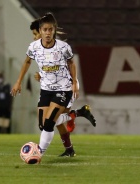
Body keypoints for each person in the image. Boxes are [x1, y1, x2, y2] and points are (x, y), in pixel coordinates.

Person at [11, 12, 88, 158]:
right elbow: (27, 61)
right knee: (43, 125)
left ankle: (38, 153)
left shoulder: (63, 47)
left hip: (63, 89)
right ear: (40, 31)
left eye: (50, 30)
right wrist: (18, 81)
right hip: (46, 89)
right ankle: (77, 114)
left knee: (48, 124)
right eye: (44, 30)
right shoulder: (34, 47)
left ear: (54, 30)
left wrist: (75, 85)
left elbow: (71, 63)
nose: (47, 33)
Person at [29, 18, 96, 157]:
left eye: (35, 33)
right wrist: (42, 76)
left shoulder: (58, 47)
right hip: (51, 88)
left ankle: (48, 151)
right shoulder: (39, 47)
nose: (35, 37)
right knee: (52, 123)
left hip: (64, 87)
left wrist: (74, 84)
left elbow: (66, 66)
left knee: (52, 121)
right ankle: (70, 146)